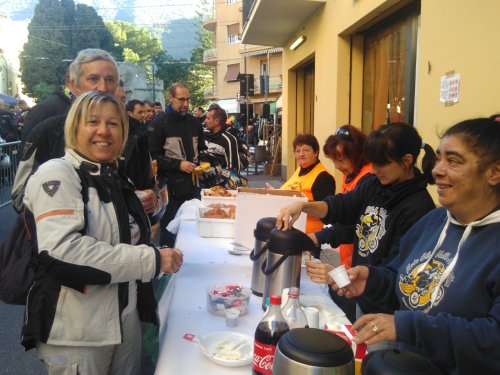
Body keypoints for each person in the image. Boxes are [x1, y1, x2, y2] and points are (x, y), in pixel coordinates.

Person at [22, 91, 184, 374]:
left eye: (113, 123)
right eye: (92, 121)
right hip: (78, 335)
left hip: (124, 320)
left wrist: (155, 251)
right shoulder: (57, 174)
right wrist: (152, 261)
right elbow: (62, 252)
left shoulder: (114, 176)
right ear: (75, 127)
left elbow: (121, 241)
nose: (103, 131)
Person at [334, 117, 500, 375]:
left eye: (453, 161)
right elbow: (401, 277)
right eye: (440, 158)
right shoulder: (434, 221)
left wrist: (408, 327)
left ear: (494, 172)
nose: (437, 170)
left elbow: (493, 340)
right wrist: (373, 279)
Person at [277, 123, 436, 320]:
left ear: (406, 161)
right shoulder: (375, 184)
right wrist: (303, 206)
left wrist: (339, 275)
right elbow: (342, 205)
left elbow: (396, 272)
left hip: (386, 313)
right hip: (362, 296)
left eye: (381, 164)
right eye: (372, 163)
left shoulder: (418, 208)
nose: (374, 170)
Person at [12, 49, 159, 220]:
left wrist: (153, 198)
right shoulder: (48, 132)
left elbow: (150, 186)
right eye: (93, 79)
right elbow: (20, 197)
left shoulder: (135, 133)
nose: (103, 87)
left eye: (110, 80)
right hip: (64, 243)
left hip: (129, 243)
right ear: (74, 85)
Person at [305, 124, 372, 322]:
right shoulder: (350, 175)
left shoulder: (367, 179)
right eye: (334, 160)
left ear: (358, 154)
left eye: (341, 159)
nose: (337, 165)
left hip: (359, 268)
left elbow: (353, 226)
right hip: (348, 260)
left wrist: (319, 236)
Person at [148, 82, 207, 247]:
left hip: (194, 186)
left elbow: (202, 148)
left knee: (193, 228)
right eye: (181, 100)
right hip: (170, 189)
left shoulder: (195, 123)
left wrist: (203, 160)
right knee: (169, 229)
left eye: (188, 100)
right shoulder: (158, 124)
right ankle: (166, 265)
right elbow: (152, 158)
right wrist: (178, 165)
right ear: (171, 98)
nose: (186, 104)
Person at [268, 133, 336, 234]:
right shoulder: (300, 170)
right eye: (297, 150)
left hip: (308, 233)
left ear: (316, 152)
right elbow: (292, 191)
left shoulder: (323, 177)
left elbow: (324, 210)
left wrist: (300, 204)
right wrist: (277, 193)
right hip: (287, 227)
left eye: (306, 150)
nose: (301, 154)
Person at [203, 104, 246, 174]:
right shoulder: (203, 134)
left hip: (220, 183)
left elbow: (233, 169)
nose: (205, 121)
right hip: (202, 184)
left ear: (216, 121)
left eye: (208, 118)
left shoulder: (228, 140)